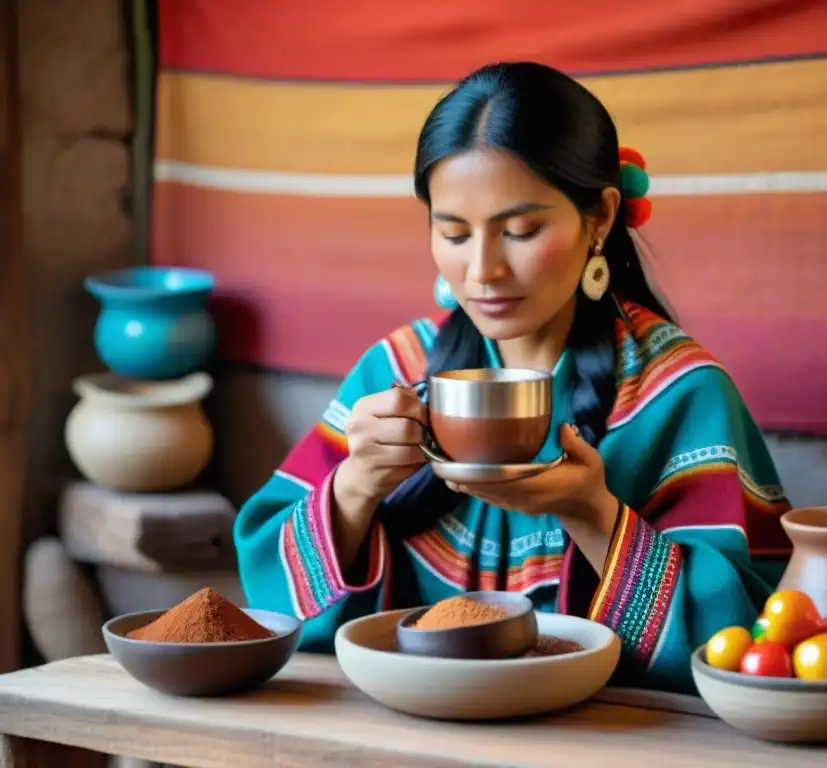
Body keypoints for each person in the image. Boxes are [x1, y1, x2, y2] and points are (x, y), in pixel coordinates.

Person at [234, 61, 792, 693]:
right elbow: (269, 597)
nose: (483, 271)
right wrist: (356, 486)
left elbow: (747, 642)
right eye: (453, 232)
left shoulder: (679, 392)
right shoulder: (397, 372)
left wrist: (593, 514)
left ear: (601, 218)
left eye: (521, 231)